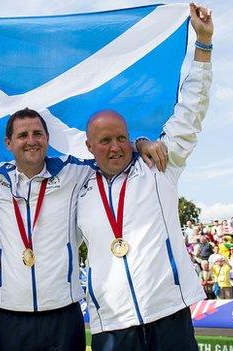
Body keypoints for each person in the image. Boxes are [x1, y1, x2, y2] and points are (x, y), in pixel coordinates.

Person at [75, 4, 212, 350]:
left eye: (122, 137)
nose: (117, 147)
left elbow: (191, 112)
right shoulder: (77, 187)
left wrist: (204, 45)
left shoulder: (159, 167)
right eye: (105, 141)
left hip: (169, 315)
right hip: (113, 324)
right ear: (90, 146)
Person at [0, 107, 167, 351]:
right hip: (9, 315)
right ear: (8, 142)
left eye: (37, 133)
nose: (31, 141)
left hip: (63, 314)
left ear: (47, 139)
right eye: (22, 135)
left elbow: (110, 152)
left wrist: (139, 144)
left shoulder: (74, 171)